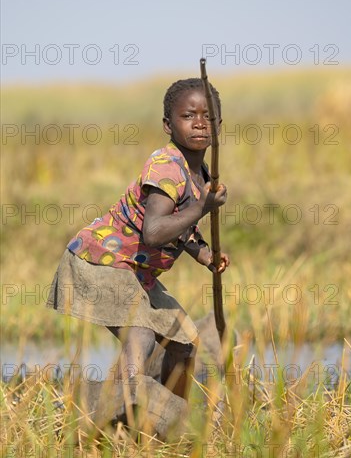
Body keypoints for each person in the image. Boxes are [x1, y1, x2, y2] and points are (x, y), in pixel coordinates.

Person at [46, 77, 229, 412]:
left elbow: (180, 224)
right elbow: (155, 232)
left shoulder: (200, 173)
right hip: (100, 261)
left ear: (219, 126)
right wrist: (202, 207)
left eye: (208, 117)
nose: (200, 122)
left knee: (184, 343)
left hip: (134, 272)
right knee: (141, 335)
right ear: (168, 125)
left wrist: (203, 253)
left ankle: (171, 418)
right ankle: (121, 416)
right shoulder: (165, 167)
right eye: (189, 116)